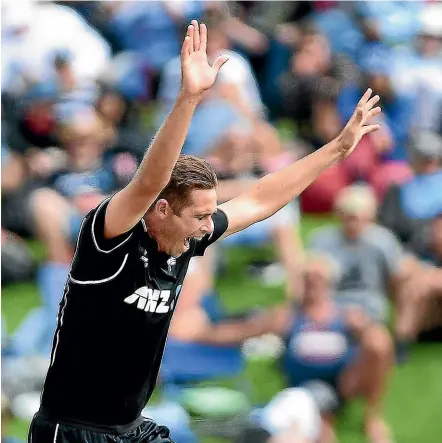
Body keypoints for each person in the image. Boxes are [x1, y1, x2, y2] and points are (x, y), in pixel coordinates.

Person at [28, 20, 381, 443]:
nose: (205, 227)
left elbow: (260, 198)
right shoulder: (110, 238)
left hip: (129, 429)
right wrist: (189, 98)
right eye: (198, 216)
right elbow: (146, 181)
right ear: (162, 209)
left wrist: (337, 150)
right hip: (73, 431)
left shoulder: (186, 240)